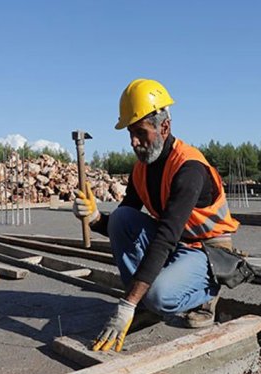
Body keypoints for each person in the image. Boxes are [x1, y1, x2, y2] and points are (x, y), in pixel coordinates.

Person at [73, 78, 240, 352]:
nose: (134, 142)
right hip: (179, 246)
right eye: (130, 134)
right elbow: (122, 226)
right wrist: (94, 218)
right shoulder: (141, 169)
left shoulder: (189, 169)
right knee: (123, 218)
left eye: (140, 133)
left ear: (164, 126)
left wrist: (126, 305)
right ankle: (145, 302)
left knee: (160, 295)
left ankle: (207, 293)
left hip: (209, 252)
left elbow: (164, 237)